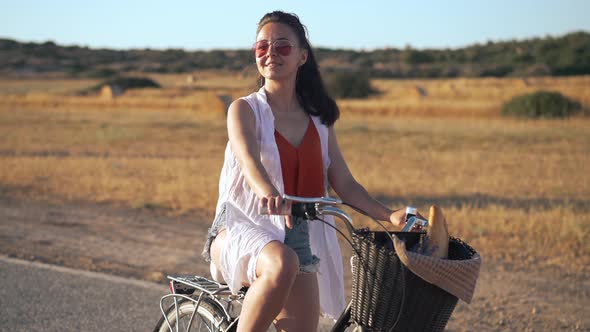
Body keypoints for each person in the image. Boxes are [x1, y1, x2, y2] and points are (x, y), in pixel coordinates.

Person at [202, 11, 412, 331]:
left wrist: (390, 215)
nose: (270, 53)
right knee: (283, 262)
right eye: (262, 47)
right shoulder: (244, 109)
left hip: (297, 237)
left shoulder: (319, 120)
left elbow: (343, 181)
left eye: (282, 46)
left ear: (302, 56)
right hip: (242, 226)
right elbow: (248, 161)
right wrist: (270, 193)